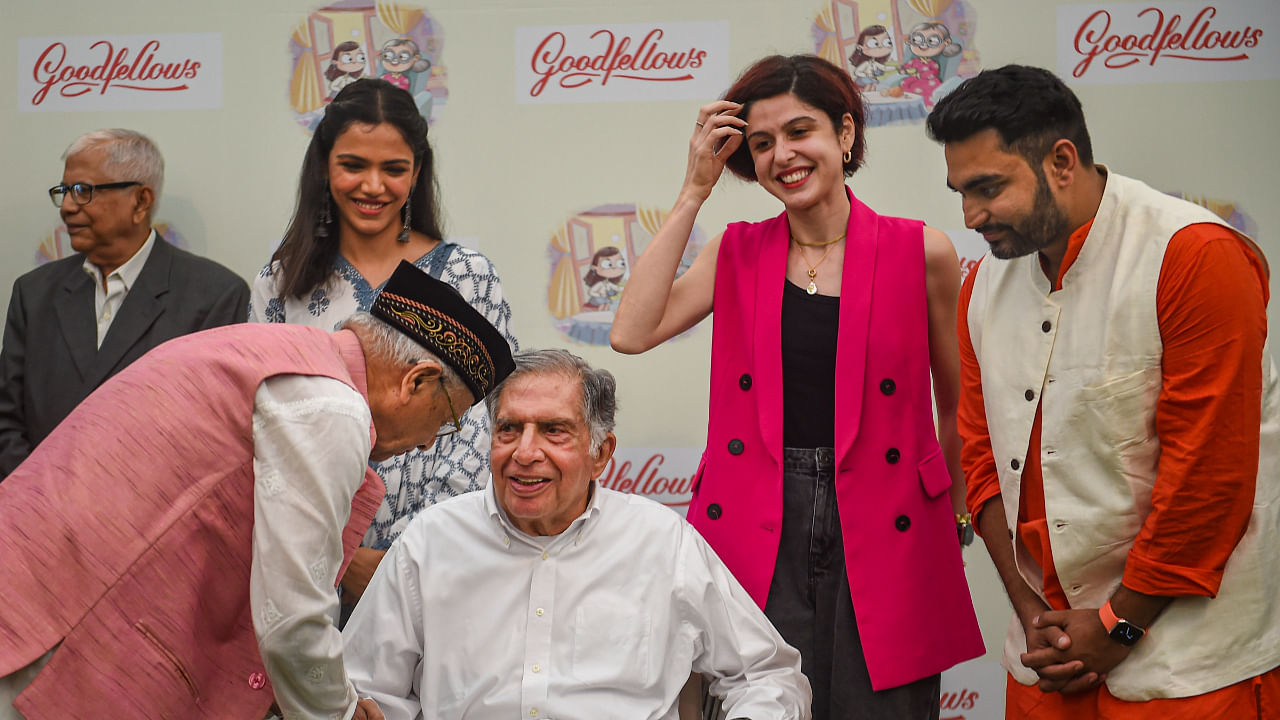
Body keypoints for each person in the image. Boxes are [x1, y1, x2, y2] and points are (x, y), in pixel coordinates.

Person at [610, 54, 982, 719]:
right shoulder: (737, 248)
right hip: (761, 520)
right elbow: (632, 331)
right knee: (761, 702)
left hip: (887, 521)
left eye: (799, 131)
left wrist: (955, 514)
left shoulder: (921, 251)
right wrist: (695, 189)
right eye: (761, 144)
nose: (783, 154)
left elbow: (958, 405)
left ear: (844, 134)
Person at [0, 262, 515, 720]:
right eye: (447, 422)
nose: (429, 445)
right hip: (49, 636)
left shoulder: (284, 354)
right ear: (417, 381)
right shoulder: (330, 405)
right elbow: (293, 615)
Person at [926, 64, 1280, 719]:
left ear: (1062, 161)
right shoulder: (982, 289)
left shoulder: (1193, 256)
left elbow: (1208, 475)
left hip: (1187, 671)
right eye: (960, 192)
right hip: (1047, 664)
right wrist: (1034, 616)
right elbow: (982, 467)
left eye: (988, 188)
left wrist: (1118, 625)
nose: (970, 215)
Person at [342, 348, 811, 719]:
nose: (525, 452)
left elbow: (767, 676)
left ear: (600, 453)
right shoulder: (432, 542)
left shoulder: (662, 543)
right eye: (509, 429)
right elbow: (363, 688)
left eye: (553, 431)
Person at [250, 78, 517, 609]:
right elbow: (268, 433)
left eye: (393, 169)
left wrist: (409, 558)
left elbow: (491, 423)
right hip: (315, 565)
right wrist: (344, 559)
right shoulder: (283, 284)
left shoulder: (466, 276)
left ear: (417, 172)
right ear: (324, 167)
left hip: (451, 565)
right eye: (353, 165)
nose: (373, 186)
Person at [0, 128, 248, 479]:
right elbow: (7, 420)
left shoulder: (214, 297)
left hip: (152, 520)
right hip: (38, 515)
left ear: (141, 201)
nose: (68, 207)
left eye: (83, 191)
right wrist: (40, 496)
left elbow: (214, 438)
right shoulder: (34, 293)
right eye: (64, 192)